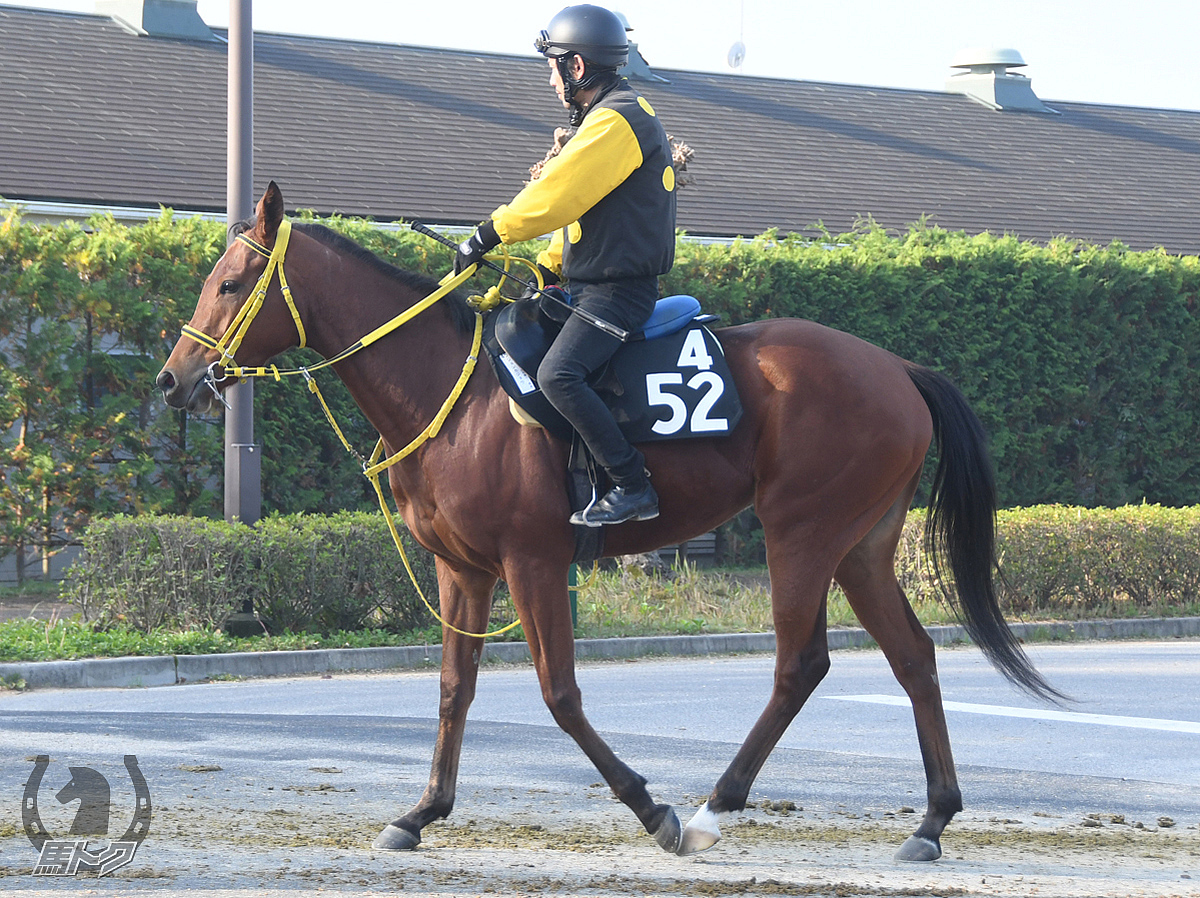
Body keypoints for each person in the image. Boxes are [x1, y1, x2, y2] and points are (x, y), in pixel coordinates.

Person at [454, 4, 678, 527]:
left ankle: (631, 484)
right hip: (592, 287)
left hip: (618, 294)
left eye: (552, 65)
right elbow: (579, 218)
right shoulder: (611, 117)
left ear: (577, 67)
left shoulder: (616, 120)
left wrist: (486, 235)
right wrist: (543, 272)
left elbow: (555, 196)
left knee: (559, 374)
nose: (549, 77)